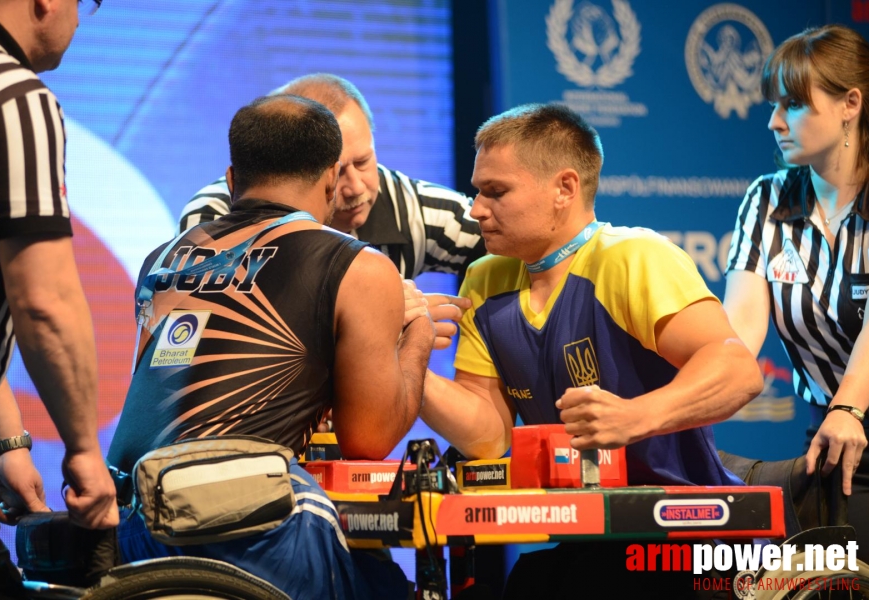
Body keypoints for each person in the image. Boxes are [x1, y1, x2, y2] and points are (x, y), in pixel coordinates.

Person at [419, 103, 763, 598]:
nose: (475, 209)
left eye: (496, 192)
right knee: (528, 585)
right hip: (591, 541)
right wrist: (408, 365)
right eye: (477, 190)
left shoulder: (633, 258)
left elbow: (737, 368)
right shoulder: (485, 279)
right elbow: (490, 437)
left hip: (688, 541)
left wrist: (634, 416)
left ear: (565, 188)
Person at [107, 94, 435, 600]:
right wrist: (416, 338)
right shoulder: (358, 266)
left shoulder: (164, 257)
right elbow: (368, 440)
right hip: (250, 532)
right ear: (330, 179)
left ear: (232, 178)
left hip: (129, 532)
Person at [0, 0, 119, 598]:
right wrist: (83, 449)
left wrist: (6, 441)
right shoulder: (12, 97)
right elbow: (45, 302)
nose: (81, 19)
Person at [179, 73, 484, 351]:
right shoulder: (217, 215)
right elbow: (214, 338)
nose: (355, 187)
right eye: (336, 172)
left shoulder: (415, 208)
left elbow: (515, 243)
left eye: (364, 162)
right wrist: (384, 318)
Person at [724, 24, 869, 560]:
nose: (774, 121)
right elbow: (737, 331)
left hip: (846, 423)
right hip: (830, 449)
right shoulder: (767, 198)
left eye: (793, 104)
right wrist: (671, 407)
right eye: (774, 104)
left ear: (850, 103)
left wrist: (850, 407)